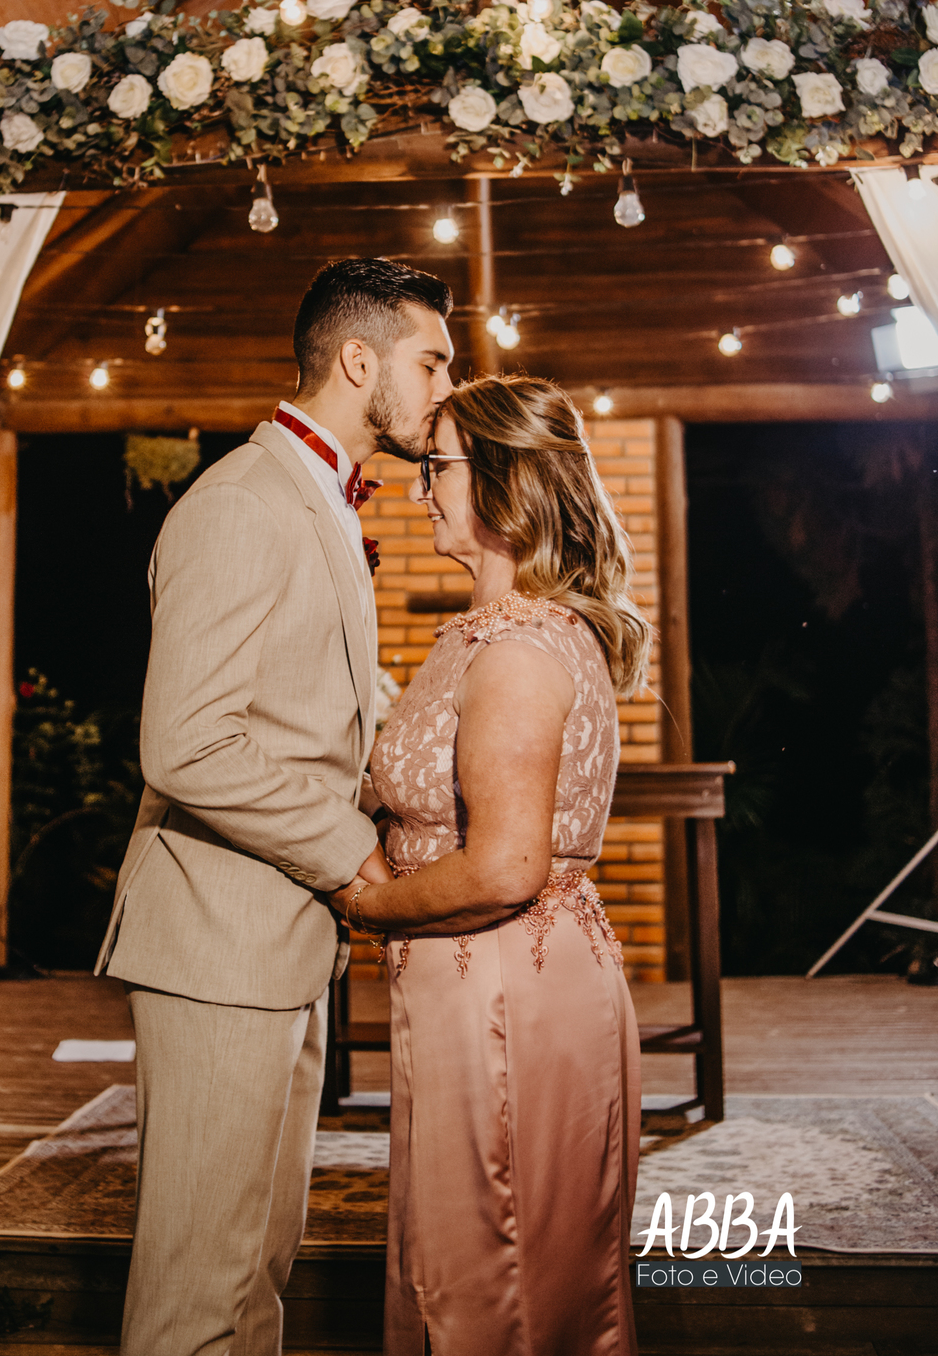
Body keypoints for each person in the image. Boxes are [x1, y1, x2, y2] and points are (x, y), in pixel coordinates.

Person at [95, 256, 454, 1356]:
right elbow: (187, 742)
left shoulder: (320, 497)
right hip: (217, 944)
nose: (447, 389)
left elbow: (321, 702)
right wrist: (353, 853)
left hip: (280, 943)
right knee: (198, 1295)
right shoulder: (242, 503)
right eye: (433, 363)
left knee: (257, 1272)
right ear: (359, 362)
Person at [332, 375, 651, 1356]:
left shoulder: (517, 652)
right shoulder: (493, 632)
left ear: (505, 481)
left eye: (438, 467)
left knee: (495, 1291)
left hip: (506, 997)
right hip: (485, 991)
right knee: (480, 1272)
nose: (419, 487)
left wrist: (366, 904)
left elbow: (508, 868)